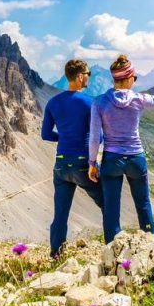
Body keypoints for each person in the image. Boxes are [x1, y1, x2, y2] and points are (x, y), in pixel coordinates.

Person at [88, 54, 154, 244]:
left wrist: (92, 163)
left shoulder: (99, 102)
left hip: (112, 160)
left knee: (111, 207)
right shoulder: (140, 99)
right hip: (136, 159)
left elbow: (94, 137)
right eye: (134, 78)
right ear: (128, 78)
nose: (134, 81)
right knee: (143, 204)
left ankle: (112, 250)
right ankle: (152, 245)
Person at [41, 59, 104, 258]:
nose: (88, 77)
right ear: (79, 77)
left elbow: (45, 134)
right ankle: (115, 250)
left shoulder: (52, 102)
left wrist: (65, 137)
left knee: (60, 214)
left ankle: (56, 255)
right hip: (82, 163)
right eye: (87, 74)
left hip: (61, 164)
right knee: (108, 203)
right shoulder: (89, 103)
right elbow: (98, 137)